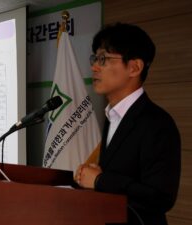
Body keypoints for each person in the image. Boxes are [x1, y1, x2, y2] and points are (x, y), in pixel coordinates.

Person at [75, 23, 181, 225]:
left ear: (134, 67)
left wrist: (99, 180)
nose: (94, 67)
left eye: (104, 59)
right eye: (95, 58)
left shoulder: (158, 124)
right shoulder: (112, 115)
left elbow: (161, 197)